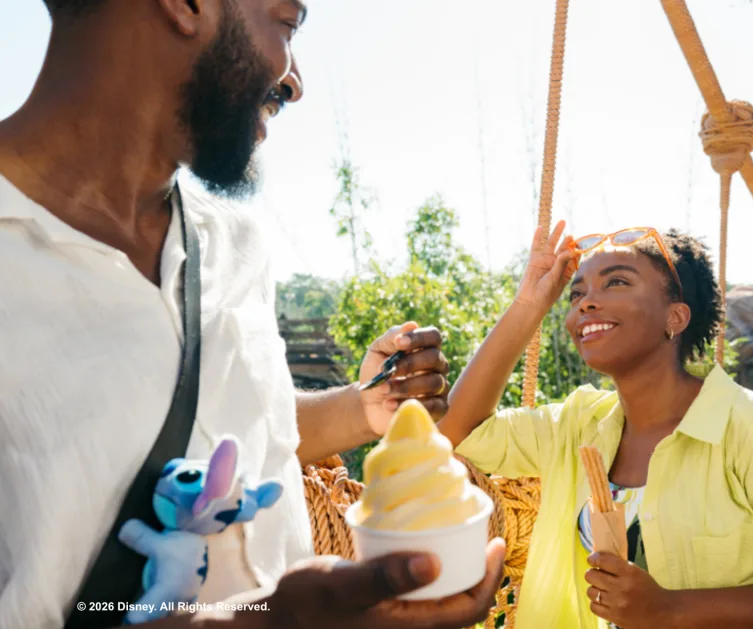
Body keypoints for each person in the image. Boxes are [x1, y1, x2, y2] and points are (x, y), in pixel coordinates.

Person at [0, 1, 504, 628]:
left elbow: (238, 429)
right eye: (286, 23)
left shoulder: (233, 240)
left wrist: (360, 406)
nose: (293, 81)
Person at [440, 223, 753, 629]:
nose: (586, 302)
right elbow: (454, 433)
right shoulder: (577, 426)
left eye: (616, 282)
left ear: (676, 318)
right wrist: (528, 305)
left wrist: (671, 609)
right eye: (576, 295)